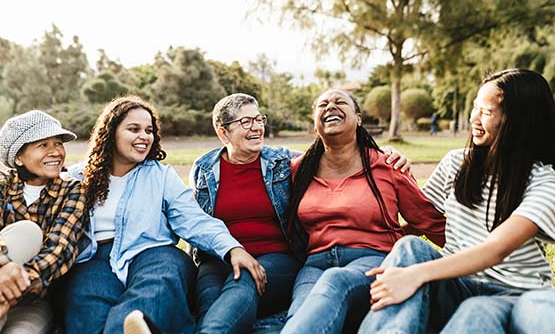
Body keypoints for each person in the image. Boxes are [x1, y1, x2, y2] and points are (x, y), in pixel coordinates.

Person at [358, 69, 555, 334]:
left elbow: (495, 250)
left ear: (517, 121)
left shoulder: (544, 181)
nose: (474, 118)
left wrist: (416, 274)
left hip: (511, 293)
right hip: (454, 283)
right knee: (409, 247)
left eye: (486, 112)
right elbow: (419, 223)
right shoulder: (456, 163)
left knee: (476, 309)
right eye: (475, 108)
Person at [61, 96, 266, 334]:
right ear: (111, 132)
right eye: (133, 129)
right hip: (95, 258)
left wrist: (232, 248)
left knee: (158, 284)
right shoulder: (78, 178)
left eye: (149, 130)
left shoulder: (161, 176)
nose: (144, 136)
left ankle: (134, 326)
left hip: (153, 253)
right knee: (87, 298)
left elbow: (193, 219)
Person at [280, 89, 446, 334]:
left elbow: (427, 220)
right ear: (314, 123)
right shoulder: (299, 170)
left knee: (334, 282)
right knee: (300, 310)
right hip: (315, 263)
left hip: (374, 259)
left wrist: (483, 254)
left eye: (339, 102)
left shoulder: (387, 165)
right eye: (323, 104)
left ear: (358, 118)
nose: (330, 107)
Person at [189, 93, 301, 334]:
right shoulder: (203, 168)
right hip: (219, 259)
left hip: (276, 258)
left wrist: (379, 151)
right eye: (246, 122)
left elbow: (330, 154)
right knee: (209, 301)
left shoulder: (281, 160)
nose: (257, 127)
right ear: (223, 133)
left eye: (259, 119)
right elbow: (196, 222)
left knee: (243, 281)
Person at [0, 110, 87, 334]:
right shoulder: (3, 186)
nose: (55, 152)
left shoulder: (72, 191)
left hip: (31, 301)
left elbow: (60, 249)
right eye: (43, 145)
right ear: (18, 157)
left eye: (58, 143)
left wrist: (11, 285)